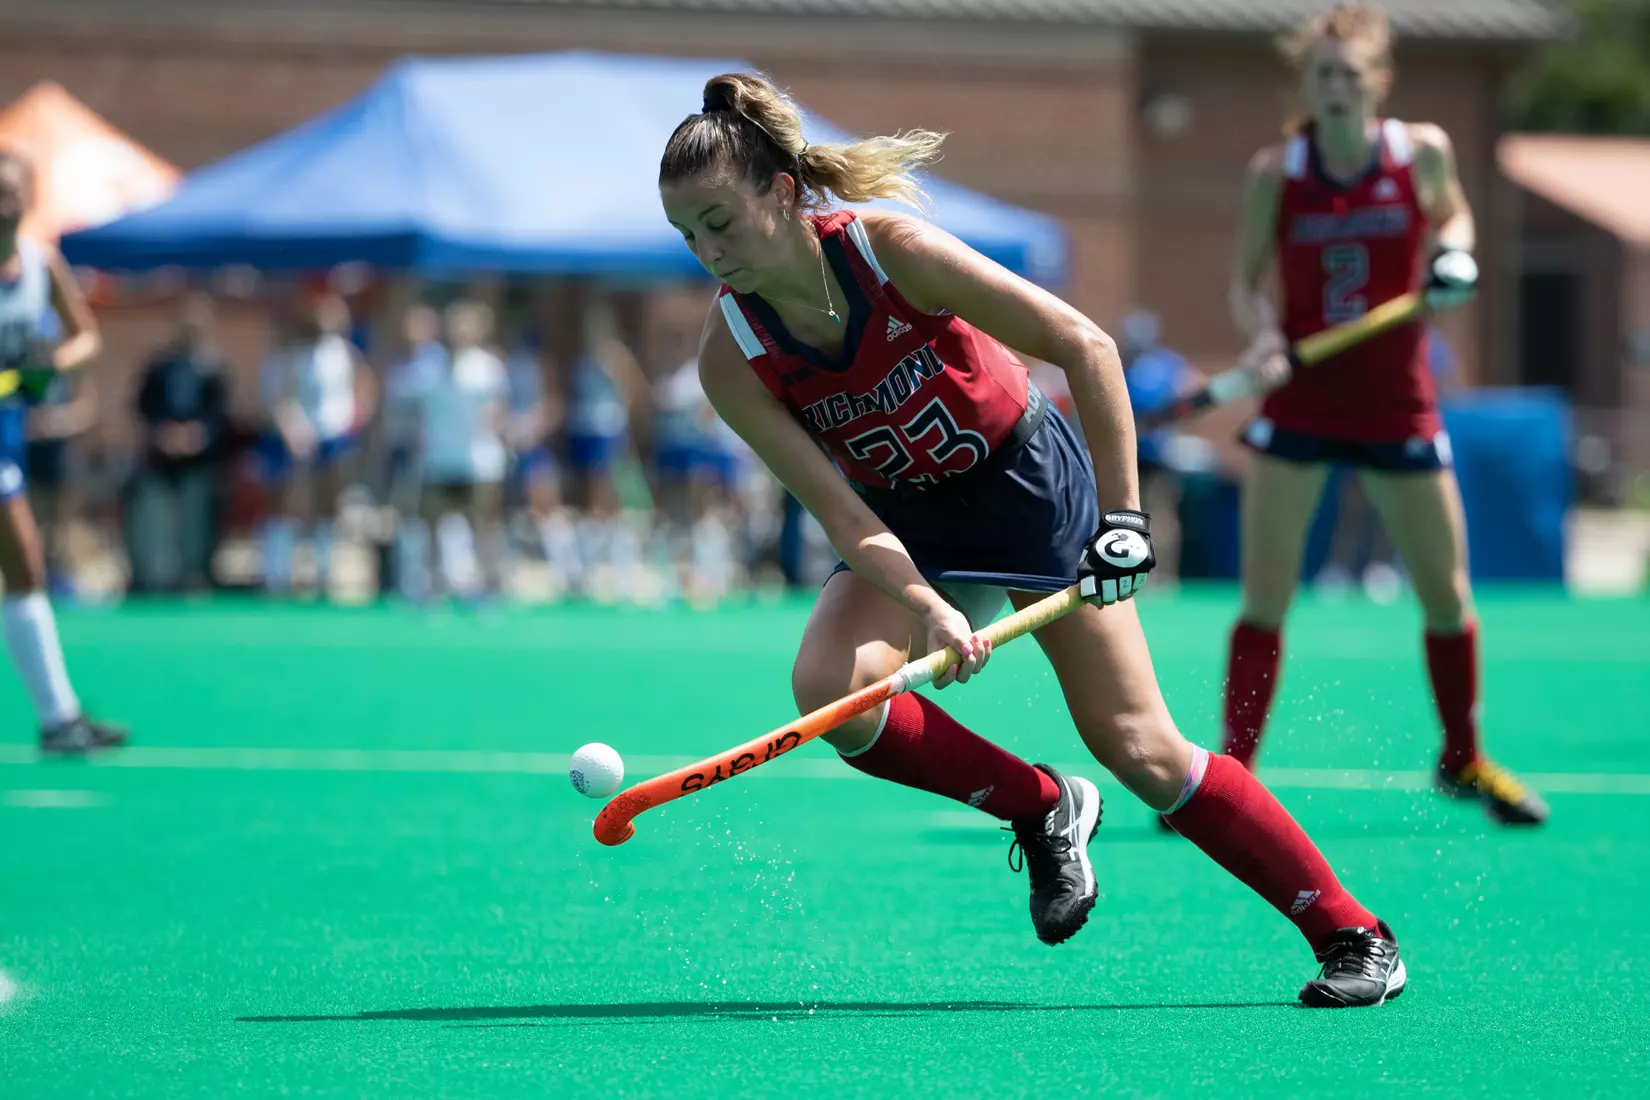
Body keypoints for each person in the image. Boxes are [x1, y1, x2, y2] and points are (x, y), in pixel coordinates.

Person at [660, 71, 1404, 1007]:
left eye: (719, 221)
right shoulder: (731, 359)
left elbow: (1085, 346)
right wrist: (928, 606)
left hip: (1024, 481)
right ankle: (1044, 806)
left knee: (1140, 747)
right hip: (906, 516)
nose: (707, 252)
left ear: (779, 189)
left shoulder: (892, 253)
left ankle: (1352, 932)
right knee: (832, 691)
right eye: (687, 235)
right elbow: (843, 514)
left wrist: (1124, 522)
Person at [1223, 2, 1546, 824]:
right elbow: (1244, 281)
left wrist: (1455, 255)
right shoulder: (1278, 170)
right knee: (1266, 597)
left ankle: (1462, 759)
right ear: (1308, 84)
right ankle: (1231, 776)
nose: (1334, 87)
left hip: (1399, 404)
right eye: (1321, 75)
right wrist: (1263, 334)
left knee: (1445, 594)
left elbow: (1455, 217)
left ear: (1378, 82)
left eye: (1348, 74)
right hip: (1301, 399)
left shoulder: (1421, 153)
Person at [0, 148, 124, 753]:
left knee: (26, 568)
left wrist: (50, 363)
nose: (2, 201)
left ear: (28, 198)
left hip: (5, 435)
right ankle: (58, 718)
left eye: (9, 190)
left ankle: (59, 719)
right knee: (23, 561)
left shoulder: (38, 264)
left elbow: (85, 339)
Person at [258, 293, 375, 597]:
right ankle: (277, 574)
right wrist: (292, 429)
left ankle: (324, 572)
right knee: (287, 502)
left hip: (333, 438)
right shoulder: (292, 355)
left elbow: (364, 388)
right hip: (297, 438)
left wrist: (353, 423)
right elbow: (279, 395)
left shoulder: (346, 354)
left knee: (328, 505)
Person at [129, 292, 232, 593]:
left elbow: (222, 416)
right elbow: (142, 406)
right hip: (160, 460)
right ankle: (155, 579)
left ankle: (193, 576)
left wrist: (197, 435)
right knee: (155, 519)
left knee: (196, 521)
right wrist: (163, 433)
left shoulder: (214, 367)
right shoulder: (161, 366)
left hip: (199, 460)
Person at [415, 300, 510, 599]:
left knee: (483, 527)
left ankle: (487, 589)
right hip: (439, 460)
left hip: (480, 463)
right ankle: (433, 589)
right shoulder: (429, 365)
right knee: (432, 527)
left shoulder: (488, 367)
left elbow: (498, 411)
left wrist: (491, 421)